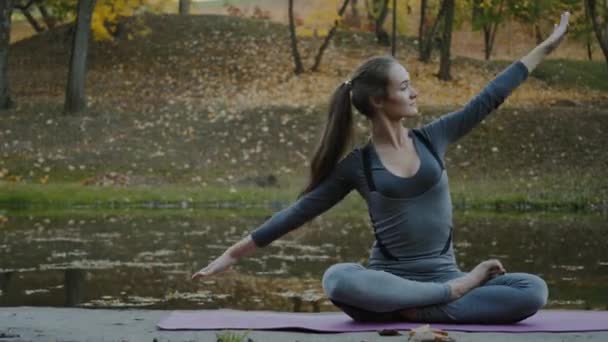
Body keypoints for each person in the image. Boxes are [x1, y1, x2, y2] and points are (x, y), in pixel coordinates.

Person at [192, 12, 571, 323]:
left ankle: (413, 309)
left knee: (532, 290)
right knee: (338, 279)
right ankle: (441, 300)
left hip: (445, 276)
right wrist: (228, 257)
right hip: (391, 281)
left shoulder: (432, 138)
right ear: (378, 100)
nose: (414, 93)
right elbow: (297, 213)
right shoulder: (357, 166)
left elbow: (489, 97)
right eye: (405, 87)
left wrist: (543, 48)